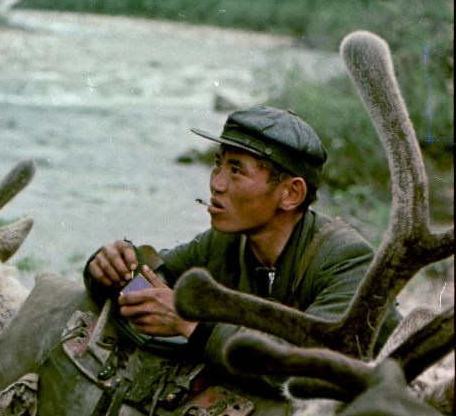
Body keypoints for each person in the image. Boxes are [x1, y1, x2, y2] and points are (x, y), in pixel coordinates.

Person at [86, 105, 399, 365]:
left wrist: (191, 325)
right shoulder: (225, 242)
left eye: (236, 170)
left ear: (291, 193)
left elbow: (311, 366)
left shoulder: (347, 260)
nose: (217, 184)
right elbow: (155, 282)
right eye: (217, 164)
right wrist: (113, 272)